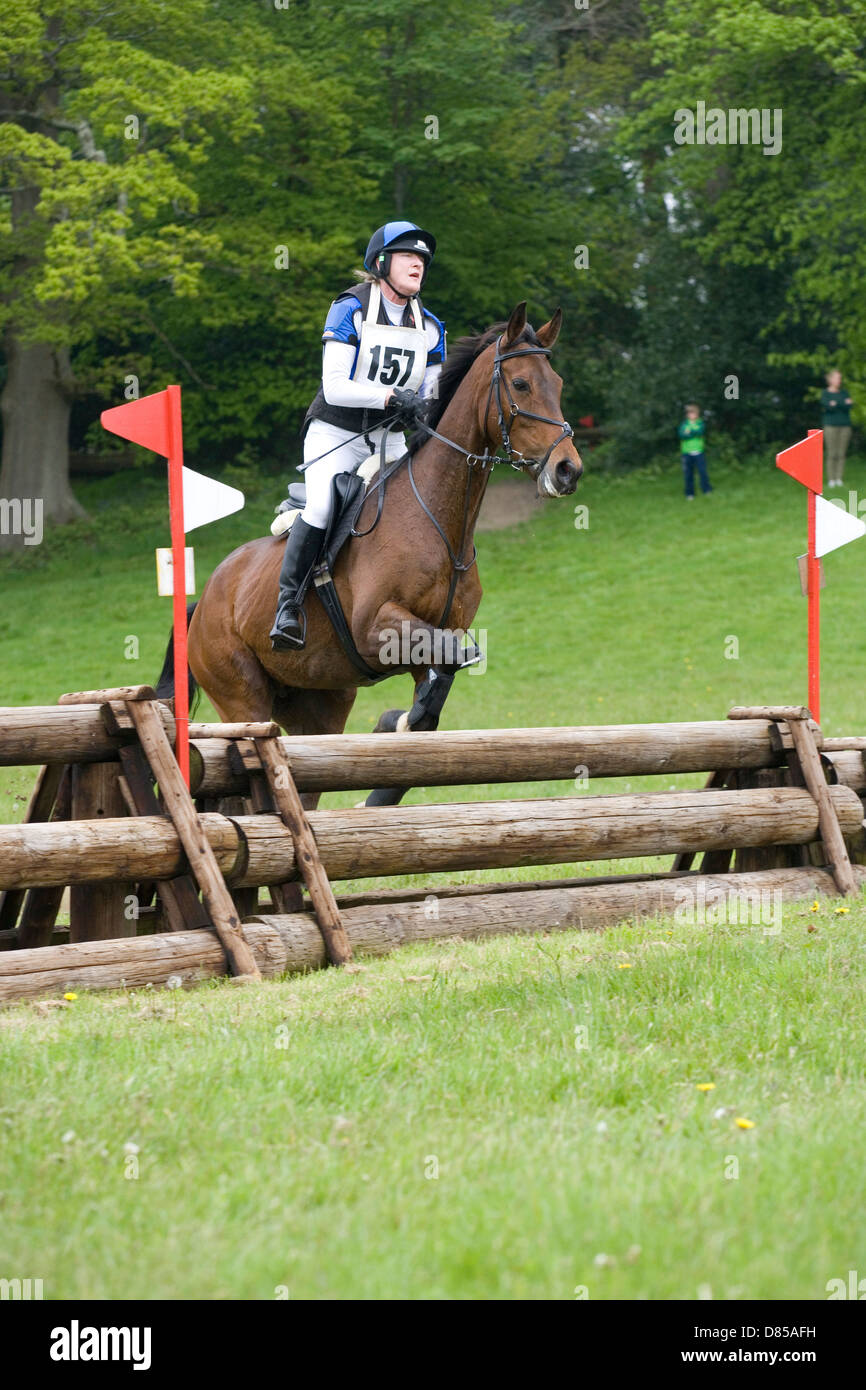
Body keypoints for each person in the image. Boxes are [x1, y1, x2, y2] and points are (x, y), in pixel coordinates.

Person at [270, 221, 446, 651]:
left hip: (389, 440)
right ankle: (287, 606)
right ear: (381, 263)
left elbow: (433, 394)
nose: (417, 264)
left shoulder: (431, 326)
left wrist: (425, 409)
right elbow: (335, 386)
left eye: (422, 259)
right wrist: (391, 397)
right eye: (408, 256)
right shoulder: (348, 308)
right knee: (324, 504)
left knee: (423, 508)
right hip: (336, 433)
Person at [821, 369, 853, 488]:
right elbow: (828, 407)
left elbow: (848, 405)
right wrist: (842, 404)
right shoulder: (825, 393)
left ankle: (839, 478)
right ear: (831, 379)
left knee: (841, 453)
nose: (839, 380)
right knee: (831, 453)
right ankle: (831, 479)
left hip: (845, 426)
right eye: (837, 378)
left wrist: (836, 404)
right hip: (831, 426)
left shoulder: (844, 392)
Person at [678, 403, 712, 500]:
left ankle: (706, 490)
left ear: (697, 414)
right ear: (687, 415)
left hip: (699, 452)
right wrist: (691, 433)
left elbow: (699, 432)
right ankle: (690, 493)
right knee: (688, 474)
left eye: (693, 413)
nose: (691, 415)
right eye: (690, 413)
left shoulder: (700, 423)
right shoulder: (684, 425)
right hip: (686, 452)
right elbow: (682, 435)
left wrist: (690, 432)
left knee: (702, 472)